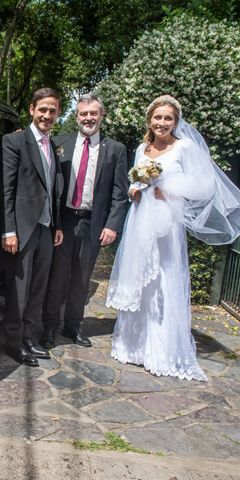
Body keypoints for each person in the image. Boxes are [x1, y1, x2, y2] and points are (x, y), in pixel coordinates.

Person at [106, 94, 240, 381]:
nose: (162, 122)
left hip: (167, 226)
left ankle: (162, 351)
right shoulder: (142, 148)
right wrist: (134, 188)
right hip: (140, 221)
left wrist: (167, 191)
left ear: (176, 122)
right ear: (149, 120)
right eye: (158, 117)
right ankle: (134, 346)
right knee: (140, 280)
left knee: (164, 281)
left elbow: (204, 186)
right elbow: (136, 180)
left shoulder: (185, 147)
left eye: (168, 118)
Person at [42, 94, 129, 349]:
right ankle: (49, 327)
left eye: (93, 113)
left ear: (102, 115)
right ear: (76, 116)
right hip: (63, 221)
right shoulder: (60, 144)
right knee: (57, 277)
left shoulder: (116, 149)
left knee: (81, 278)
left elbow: (119, 192)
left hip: (92, 223)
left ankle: (73, 326)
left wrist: (112, 225)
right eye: (83, 114)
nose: (88, 118)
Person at [0, 88, 64, 366]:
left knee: (38, 287)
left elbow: (53, 188)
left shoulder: (53, 145)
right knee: (19, 289)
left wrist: (56, 224)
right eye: (43, 109)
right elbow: (6, 188)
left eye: (52, 111)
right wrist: (9, 230)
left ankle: (30, 338)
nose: (47, 115)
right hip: (23, 229)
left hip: (47, 228)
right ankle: (14, 343)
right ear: (31, 109)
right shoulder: (14, 141)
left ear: (58, 114)